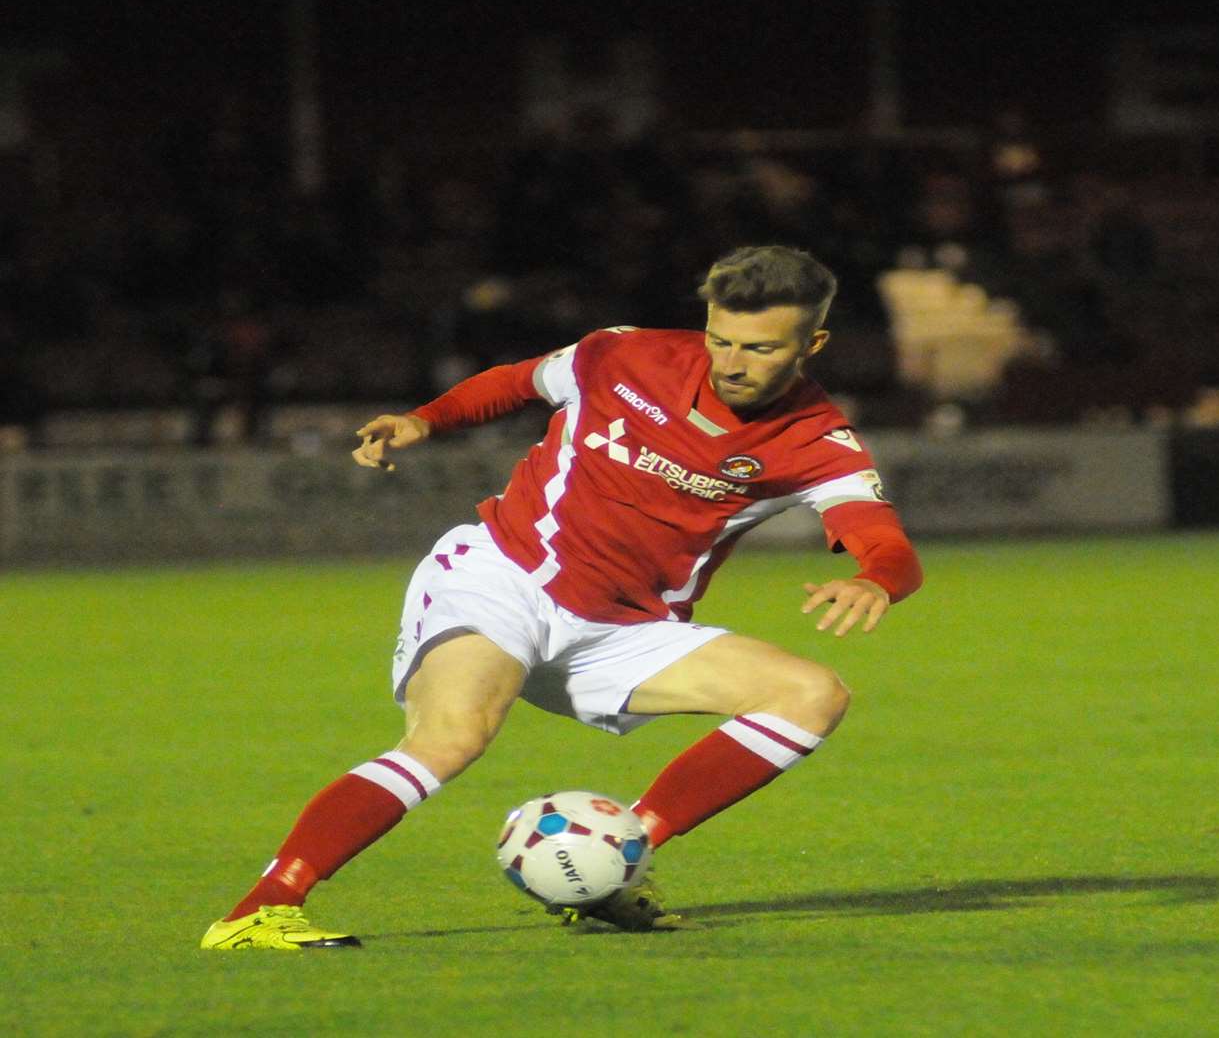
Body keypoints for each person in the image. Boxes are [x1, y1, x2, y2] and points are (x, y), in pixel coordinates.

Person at [202, 245, 924, 949]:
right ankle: (261, 909)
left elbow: (884, 541)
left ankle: (615, 865)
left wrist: (874, 579)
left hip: (623, 629)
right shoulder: (623, 355)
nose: (731, 363)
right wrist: (428, 418)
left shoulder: (818, 439)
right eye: (720, 340)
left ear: (814, 342)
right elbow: (519, 381)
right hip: (504, 578)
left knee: (811, 695)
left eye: (760, 349)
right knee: (452, 737)